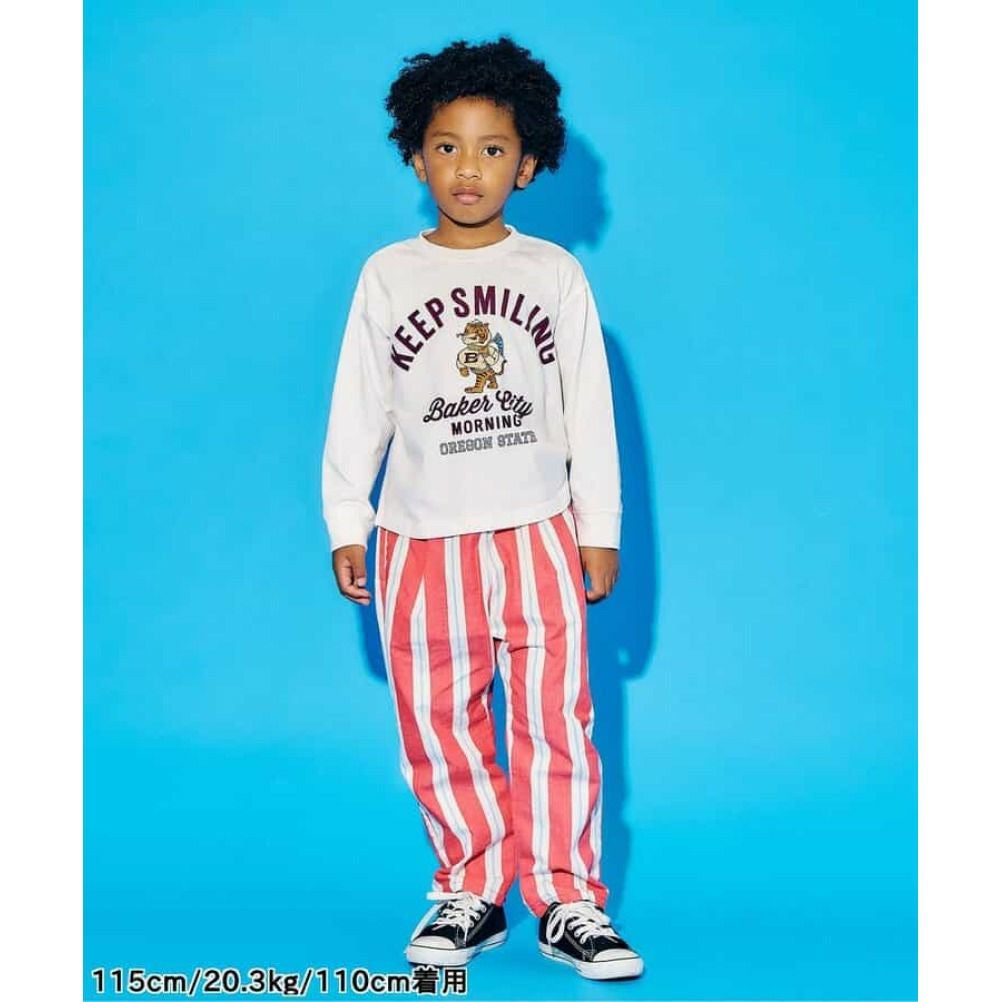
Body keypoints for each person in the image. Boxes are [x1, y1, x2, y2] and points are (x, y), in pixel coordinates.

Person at [320, 34, 644, 982]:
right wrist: (347, 520)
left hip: (537, 530)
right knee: (437, 722)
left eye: (493, 148)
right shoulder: (388, 275)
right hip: (420, 539)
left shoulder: (554, 274)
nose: (469, 166)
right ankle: (470, 886)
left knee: (555, 719)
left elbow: (589, 408)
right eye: (448, 146)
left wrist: (599, 527)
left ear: (528, 164)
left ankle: (568, 898)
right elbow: (360, 406)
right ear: (416, 158)